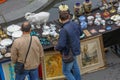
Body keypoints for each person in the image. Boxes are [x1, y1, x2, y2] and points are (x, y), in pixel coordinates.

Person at [54, 11, 83, 80]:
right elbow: (81, 33)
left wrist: (56, 48)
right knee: (75, 66)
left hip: (68, 52)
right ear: (69, 17)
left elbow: (61, 45)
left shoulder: (63, 30)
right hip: (76, 49)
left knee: (66, 71)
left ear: (60, 19)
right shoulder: (75, 24)